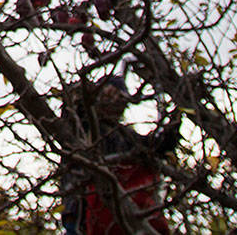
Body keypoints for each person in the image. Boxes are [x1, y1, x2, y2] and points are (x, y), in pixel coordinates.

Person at [59, 76, 180, 235]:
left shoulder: (125, 135)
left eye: (121, 100)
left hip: (120, 213)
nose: (116, 103)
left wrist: (171, 132)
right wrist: (83, 91)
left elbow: (151, 148)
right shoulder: (81, 123)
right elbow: (70, 109)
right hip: (79, 210)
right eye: (110, 96)